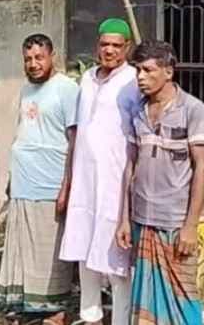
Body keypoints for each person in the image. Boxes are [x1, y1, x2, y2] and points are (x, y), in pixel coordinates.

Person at [116, 40, 204, 325]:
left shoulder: (193, 111)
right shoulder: (138, 113)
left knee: (182, 299)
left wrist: (190, 226)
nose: (140, 78)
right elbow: (130, 166)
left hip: (175, 223)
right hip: (143, 221)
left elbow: (202, 168)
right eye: (137, 71)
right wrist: (124, 219)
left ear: (168, 72)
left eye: (147, 70)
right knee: (145, 297)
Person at [59, 18, 140, 325]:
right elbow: (77, 132)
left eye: (116, 45)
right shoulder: (87, 78)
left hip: (115, 182)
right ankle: (89, 316)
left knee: (116, 260)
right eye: (104, 44)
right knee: (84, 250)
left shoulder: (134, 80)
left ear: (127, 48)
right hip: (84, 181)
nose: (109, 50)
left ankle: (120, 320)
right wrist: (67, 182)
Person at [0, 34, 79, 324]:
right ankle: (29, 311)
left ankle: (55, 312)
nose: (33, 64)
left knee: (49, 255)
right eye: (28, 59)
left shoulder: (66, 89)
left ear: (51, 56)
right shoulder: (27, 90)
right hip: (23, 184)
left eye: (39, 57)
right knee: (24, 252)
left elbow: (75, 141)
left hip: (50, 185)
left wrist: (66, 188)